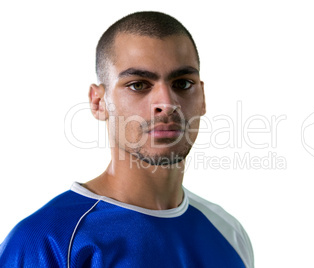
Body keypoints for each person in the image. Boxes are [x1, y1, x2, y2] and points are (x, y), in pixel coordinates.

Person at [0, 11, 254, 268]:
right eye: (138, 85)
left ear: (202, 98)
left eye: (182, 83)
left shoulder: (229, 233)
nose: (166, 104)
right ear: (98, 102)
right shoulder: (47, 241)